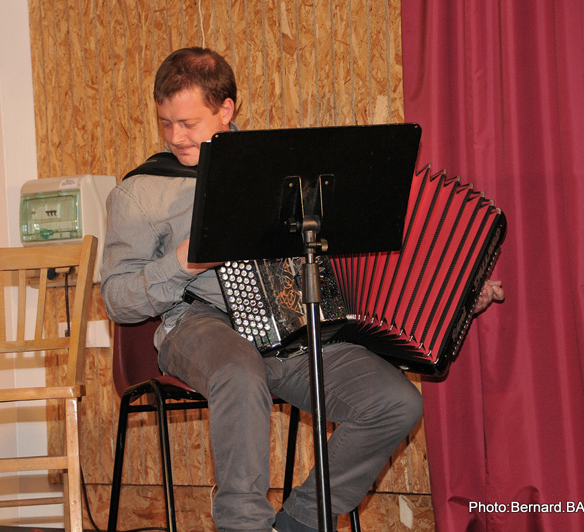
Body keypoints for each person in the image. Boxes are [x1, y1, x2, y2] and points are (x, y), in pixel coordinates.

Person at [101, 47, 504, 532]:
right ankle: (243, 527)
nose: (174, 137)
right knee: (238, 371)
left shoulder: (291, 170)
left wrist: (453, 295)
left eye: (188, 123)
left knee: (396, 403)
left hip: (294, 327)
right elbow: (117, 299)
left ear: (226, 109)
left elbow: (362, 263)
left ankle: (298, 523)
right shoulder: (141, 192)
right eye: (166, 123)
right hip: (200, 324)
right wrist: (183, 262)